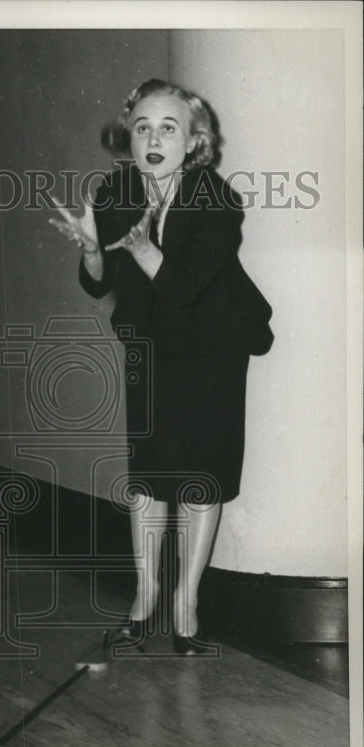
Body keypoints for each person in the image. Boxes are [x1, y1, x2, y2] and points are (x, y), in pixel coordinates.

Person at [51, 78, 273, 657]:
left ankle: (186, 607)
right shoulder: (116, 188)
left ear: (194, 141)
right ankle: (144, 599)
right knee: (148, 474)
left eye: (168, 128)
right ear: (129, 135)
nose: (153, 138)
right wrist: (93, 250)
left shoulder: (215, 200)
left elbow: (183, 288)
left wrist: (142, 245)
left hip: (212, 344)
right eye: (142, 126)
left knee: (200, 474)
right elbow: (99, 282)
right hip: (151, 344)